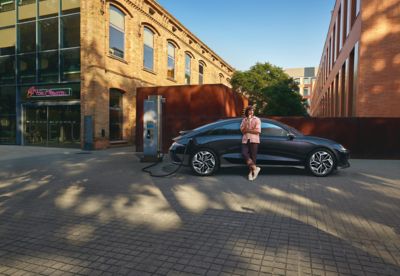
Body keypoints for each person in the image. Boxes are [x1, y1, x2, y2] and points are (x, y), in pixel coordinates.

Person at [240, 105, 261, 181]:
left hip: (254, 140)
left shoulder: (257, 120)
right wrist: (247, 121)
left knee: (253, 157)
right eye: (250, 110)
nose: (251, 112)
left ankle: (251, 174)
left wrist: (248, 130)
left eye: (252, 110)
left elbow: (258, 131)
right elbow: (242, 130)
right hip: (245, 140)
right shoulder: (244, 120)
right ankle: (256, 169)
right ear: (247, 111)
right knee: (244, 153)